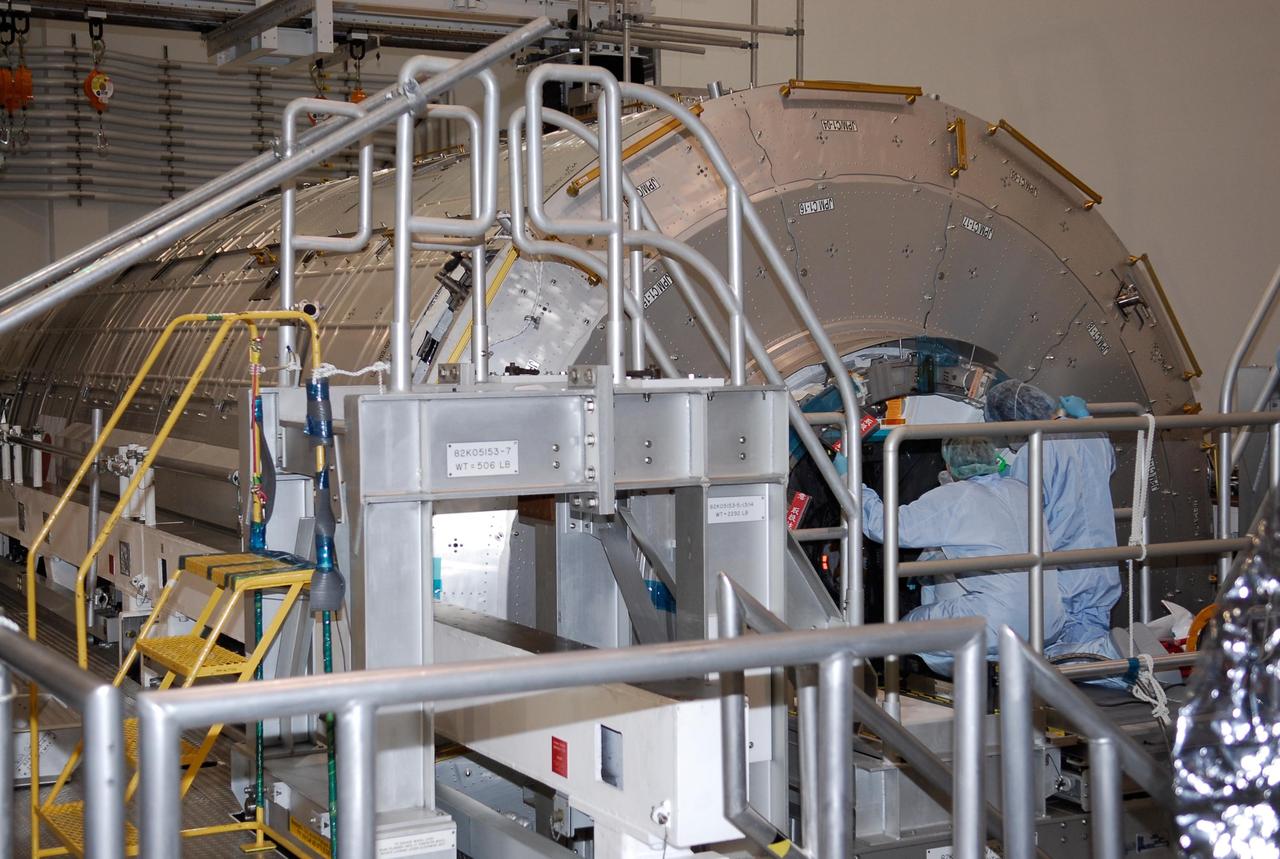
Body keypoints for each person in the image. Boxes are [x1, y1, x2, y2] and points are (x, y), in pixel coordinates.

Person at [860, 436, 1064, 675]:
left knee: (907, 628)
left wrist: (850, 481)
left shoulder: (954, 498)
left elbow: (886, 527)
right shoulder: (1021, 489)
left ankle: (929, 682)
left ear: (948, 464)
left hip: (998, 626)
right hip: (1047, 623)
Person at [983, 380, 1122, 645]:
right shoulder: (1090, 433)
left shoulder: (1033, 451)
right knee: (1092, 642)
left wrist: (998, 480)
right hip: (1102, 564)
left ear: (1011, 421)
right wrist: (1086, 418)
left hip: (1066, 572)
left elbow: (1020, 509)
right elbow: (1107, 465)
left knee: (1070, 655)